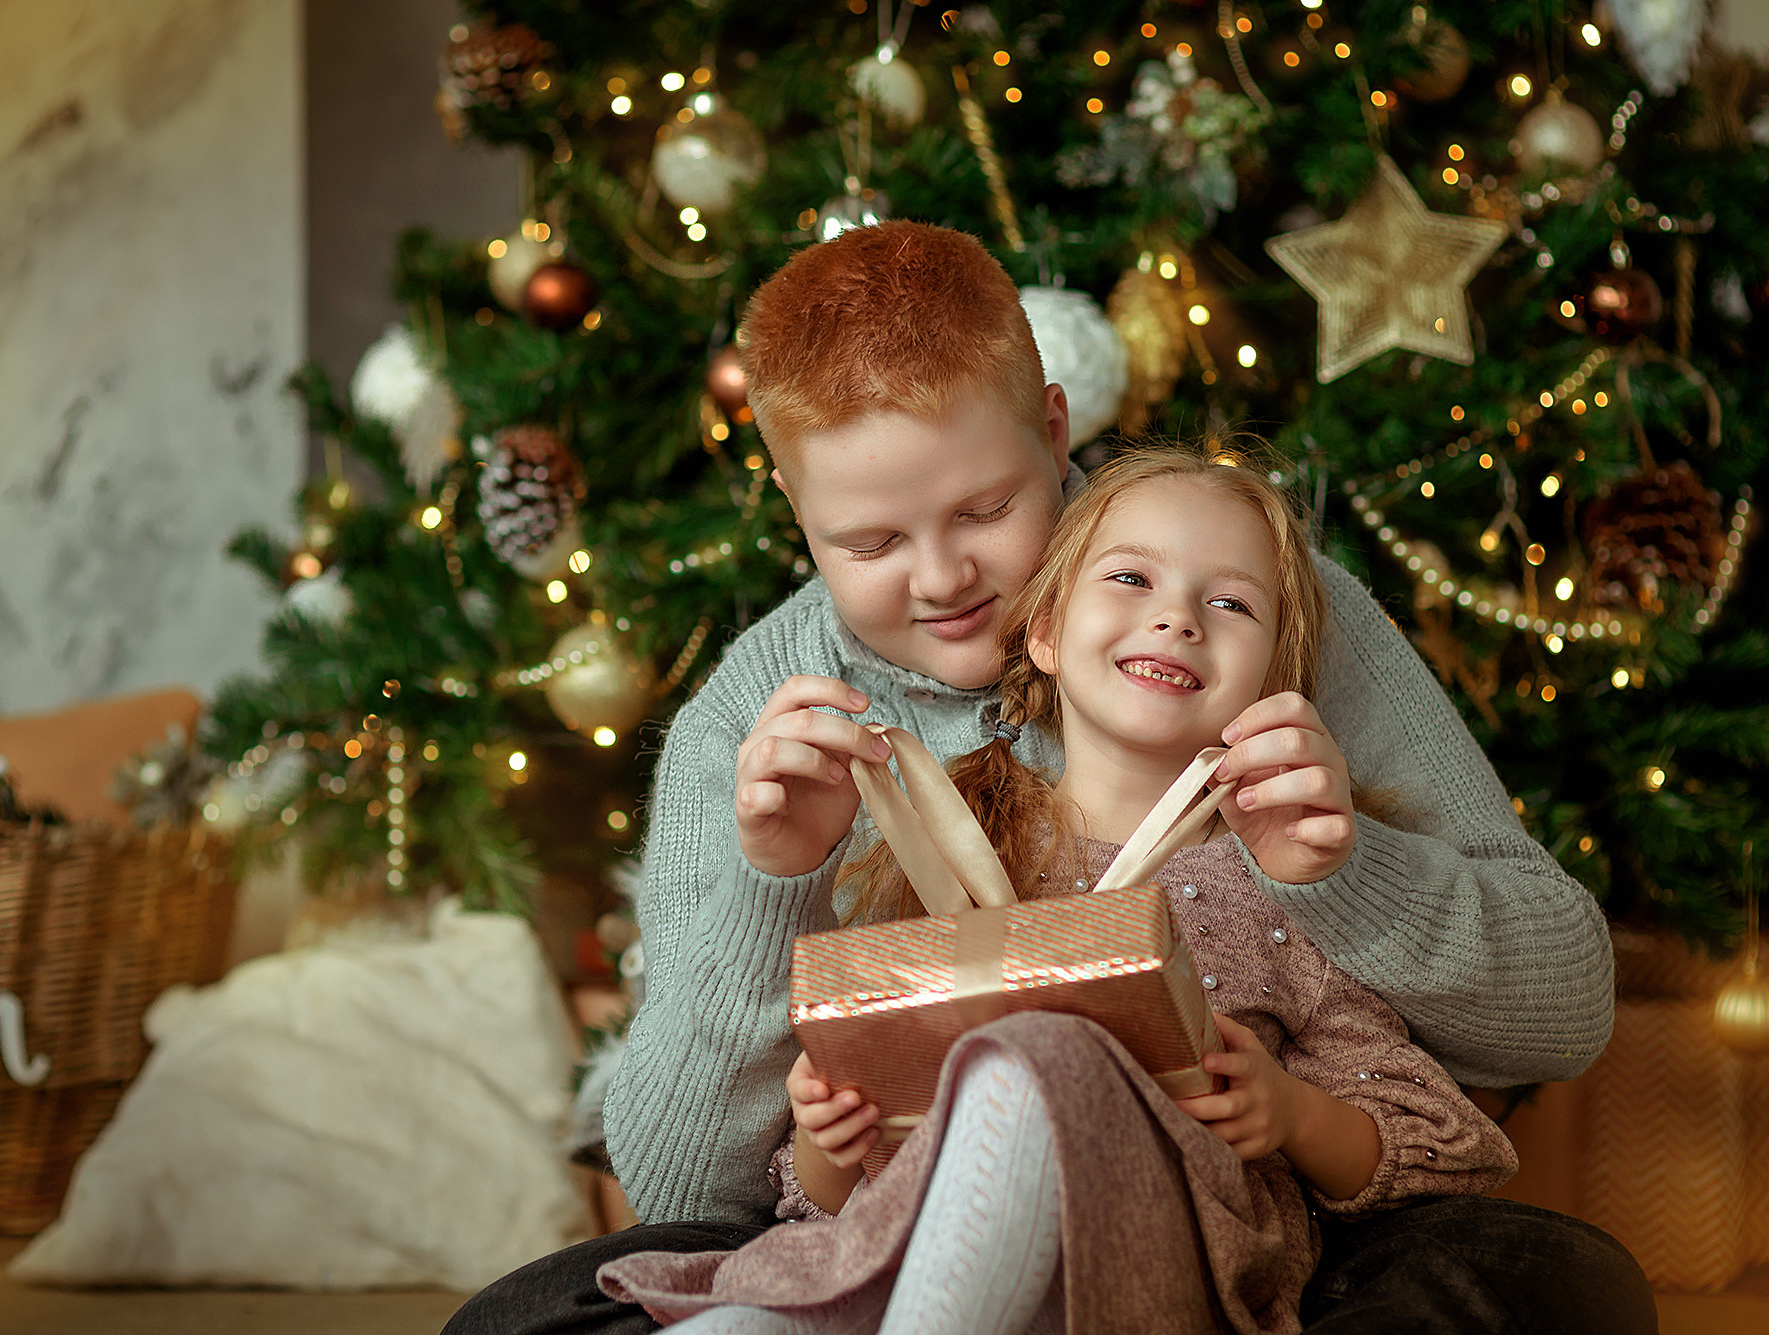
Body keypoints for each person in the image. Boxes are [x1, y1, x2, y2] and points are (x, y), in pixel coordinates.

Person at [441, 223, 1646, 1335]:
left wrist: (1341, 871)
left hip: (1239, 1224)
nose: (941, 579)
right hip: (881, 1222)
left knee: (1550, 1283)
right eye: (870, 542)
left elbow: (1563, 1015)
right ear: (793, 508)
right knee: (520, 1320)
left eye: (985, 509)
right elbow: (683, 1192)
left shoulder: (1241, 603)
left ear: (1055, 430)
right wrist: (776, 886)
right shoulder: (755, 718)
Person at [595, 446, 1524, 1332]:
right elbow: (831, 1195)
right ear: (1042, 632)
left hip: (1151, 1271)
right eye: (1130, 577)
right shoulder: (939, 851)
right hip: (911, 1252)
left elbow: (1440, 1146)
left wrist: (1289, 1110)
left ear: (1276, 681)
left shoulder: (1287, 884)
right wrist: (827, 1141)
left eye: (1231, 602)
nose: (1177, 618)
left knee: (1042, 1054)